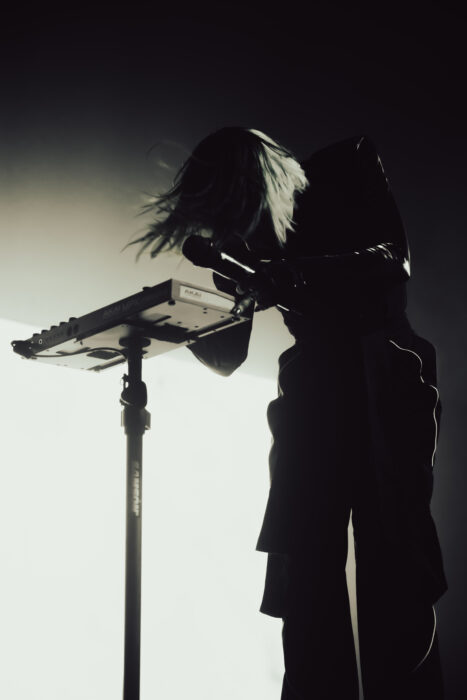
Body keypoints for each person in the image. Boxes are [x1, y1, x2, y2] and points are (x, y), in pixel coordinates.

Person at [133, 127, 448, 699]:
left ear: (260, 177)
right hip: (312, 394)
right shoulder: (243, 242)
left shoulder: (348, 164)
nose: (240, 226)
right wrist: (177, 319)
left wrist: (293, 271)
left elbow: (393, 261)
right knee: (302, 569)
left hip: (384, 378)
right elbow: (228, 357)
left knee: (396, 569)